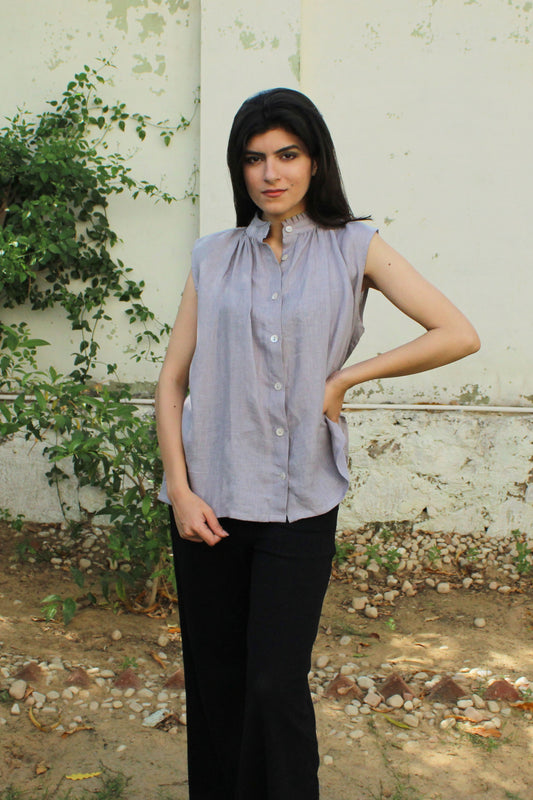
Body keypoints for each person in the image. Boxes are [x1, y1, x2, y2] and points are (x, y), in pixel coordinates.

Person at [155, 88, 480, 800]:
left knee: (274, 684)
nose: (271, 173)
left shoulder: (354, 247)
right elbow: (172, 382)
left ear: (313, 161)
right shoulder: (213, 257)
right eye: (254, 159)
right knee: (217, 683)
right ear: (239, 170)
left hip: (299, 501)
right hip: (208, 503)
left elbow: (456, 332)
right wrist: (179, 489)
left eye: (287, 154)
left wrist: (346, 379)